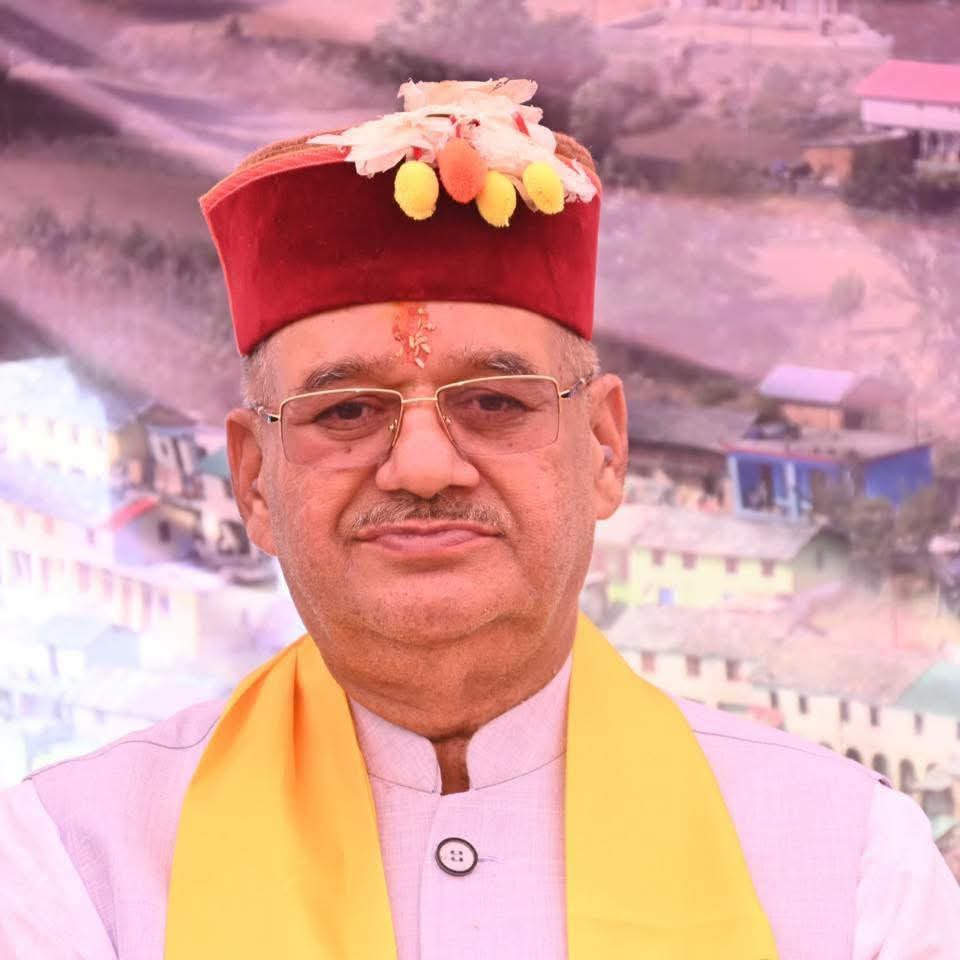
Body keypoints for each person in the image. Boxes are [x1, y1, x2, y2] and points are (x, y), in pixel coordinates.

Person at [2, 78, 959, 960]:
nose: (423, 467)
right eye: (347, 410)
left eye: (496, 401)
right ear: (254, 481)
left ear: (605, 448)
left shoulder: (849, 869)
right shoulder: (72, 868)